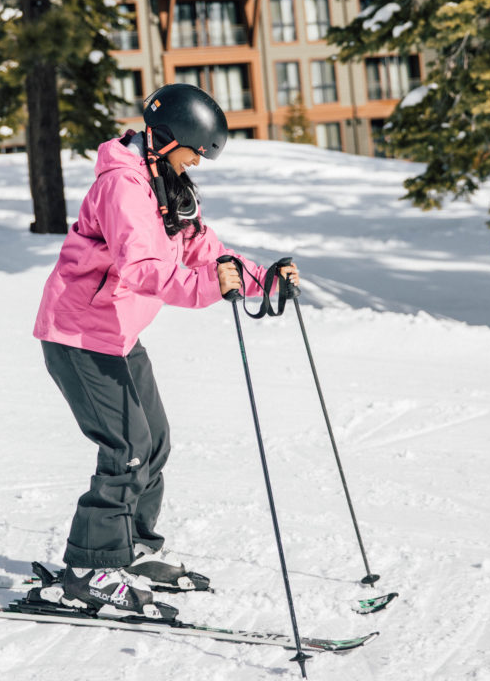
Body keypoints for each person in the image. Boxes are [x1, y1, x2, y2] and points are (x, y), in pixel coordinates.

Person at [34, 83, 299, 620]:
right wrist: (209, 288)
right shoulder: (123, 187)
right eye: (195, 150)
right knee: (126, 449)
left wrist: (258, 278)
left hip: (118, 333)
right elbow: (141, 269)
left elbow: (206, 250)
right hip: (79, 335)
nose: (198, 161)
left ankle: (130, 550)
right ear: (167, 137)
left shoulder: (165, 183)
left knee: (153, 445)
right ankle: (89, 569)